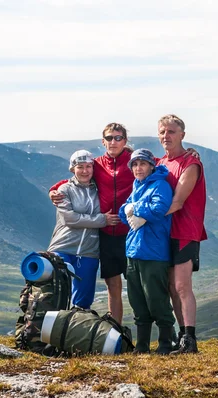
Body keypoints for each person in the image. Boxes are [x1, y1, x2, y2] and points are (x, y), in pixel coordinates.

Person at [49, 123, 132, 323]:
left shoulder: (134, 161)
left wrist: (187, 153)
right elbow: (73, 182)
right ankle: (51, 331)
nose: (114, 141)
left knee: (134, 285)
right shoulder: (97, 165)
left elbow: (161, 162)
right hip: (95, 239)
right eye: (109, 138)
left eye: (118, 138)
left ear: (125, 140)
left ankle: (117, 330)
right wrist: (53, 190)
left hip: (127, 234)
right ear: (103, 141)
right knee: (60, 291)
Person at [156, 114, 207, 354]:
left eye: (172, 132)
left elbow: (177, 202)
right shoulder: (160, 163)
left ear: (182, 135)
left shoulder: (191, 163)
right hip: (165, 232)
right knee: (170, 286)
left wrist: (143, 215)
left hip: (185, 232)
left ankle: (190, 339)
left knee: (182, 286)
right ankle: (182, 336)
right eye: (163, 132)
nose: (166, 136)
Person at [118, 149, 175, 355]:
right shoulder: (137, 186)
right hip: (134, 251)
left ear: (152, 165)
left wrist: (135, 207)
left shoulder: (160, 185)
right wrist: (129, 209)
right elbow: (124, 213)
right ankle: (142, 346)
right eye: (134, 165)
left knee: (156, 298)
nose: (138, 168)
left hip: (154, 251)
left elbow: (160, 209)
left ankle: (165, 344)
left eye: (142, 164)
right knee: (137, 300)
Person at [47, 150, 116, 309]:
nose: (85, 171)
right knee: (56, 295)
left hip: (89, 251)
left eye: (88, 166)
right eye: (80, 167)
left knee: (83, 301)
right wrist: (102, 220)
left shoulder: (100, 189)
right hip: (63, 247)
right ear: (72, 169)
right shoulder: (64, 190)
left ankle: (75, 330)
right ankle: (48, 331)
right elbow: (69, 219)